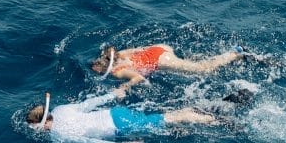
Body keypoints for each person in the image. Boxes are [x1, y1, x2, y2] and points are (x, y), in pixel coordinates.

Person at [25, 87, 217, 143]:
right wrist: (112, 95)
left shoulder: (58, 134)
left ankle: (211, 119)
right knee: (161, 119)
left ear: (42, 122)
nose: (35, 130)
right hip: (115, 112)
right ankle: (196, 111)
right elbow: (88, 104)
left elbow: (90, 142)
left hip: (120, 126)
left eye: (34, 126)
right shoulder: (60, 109)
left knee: (168, 119)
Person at [91, 43, 247, 92]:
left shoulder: (117, 72)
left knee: (203, 69)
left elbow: (138, 77)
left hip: (161, 60)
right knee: (187, 64)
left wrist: (124, 87)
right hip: (159, 48)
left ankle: (236, 53)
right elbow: (139, 50)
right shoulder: (120, 54)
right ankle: (200, 58)